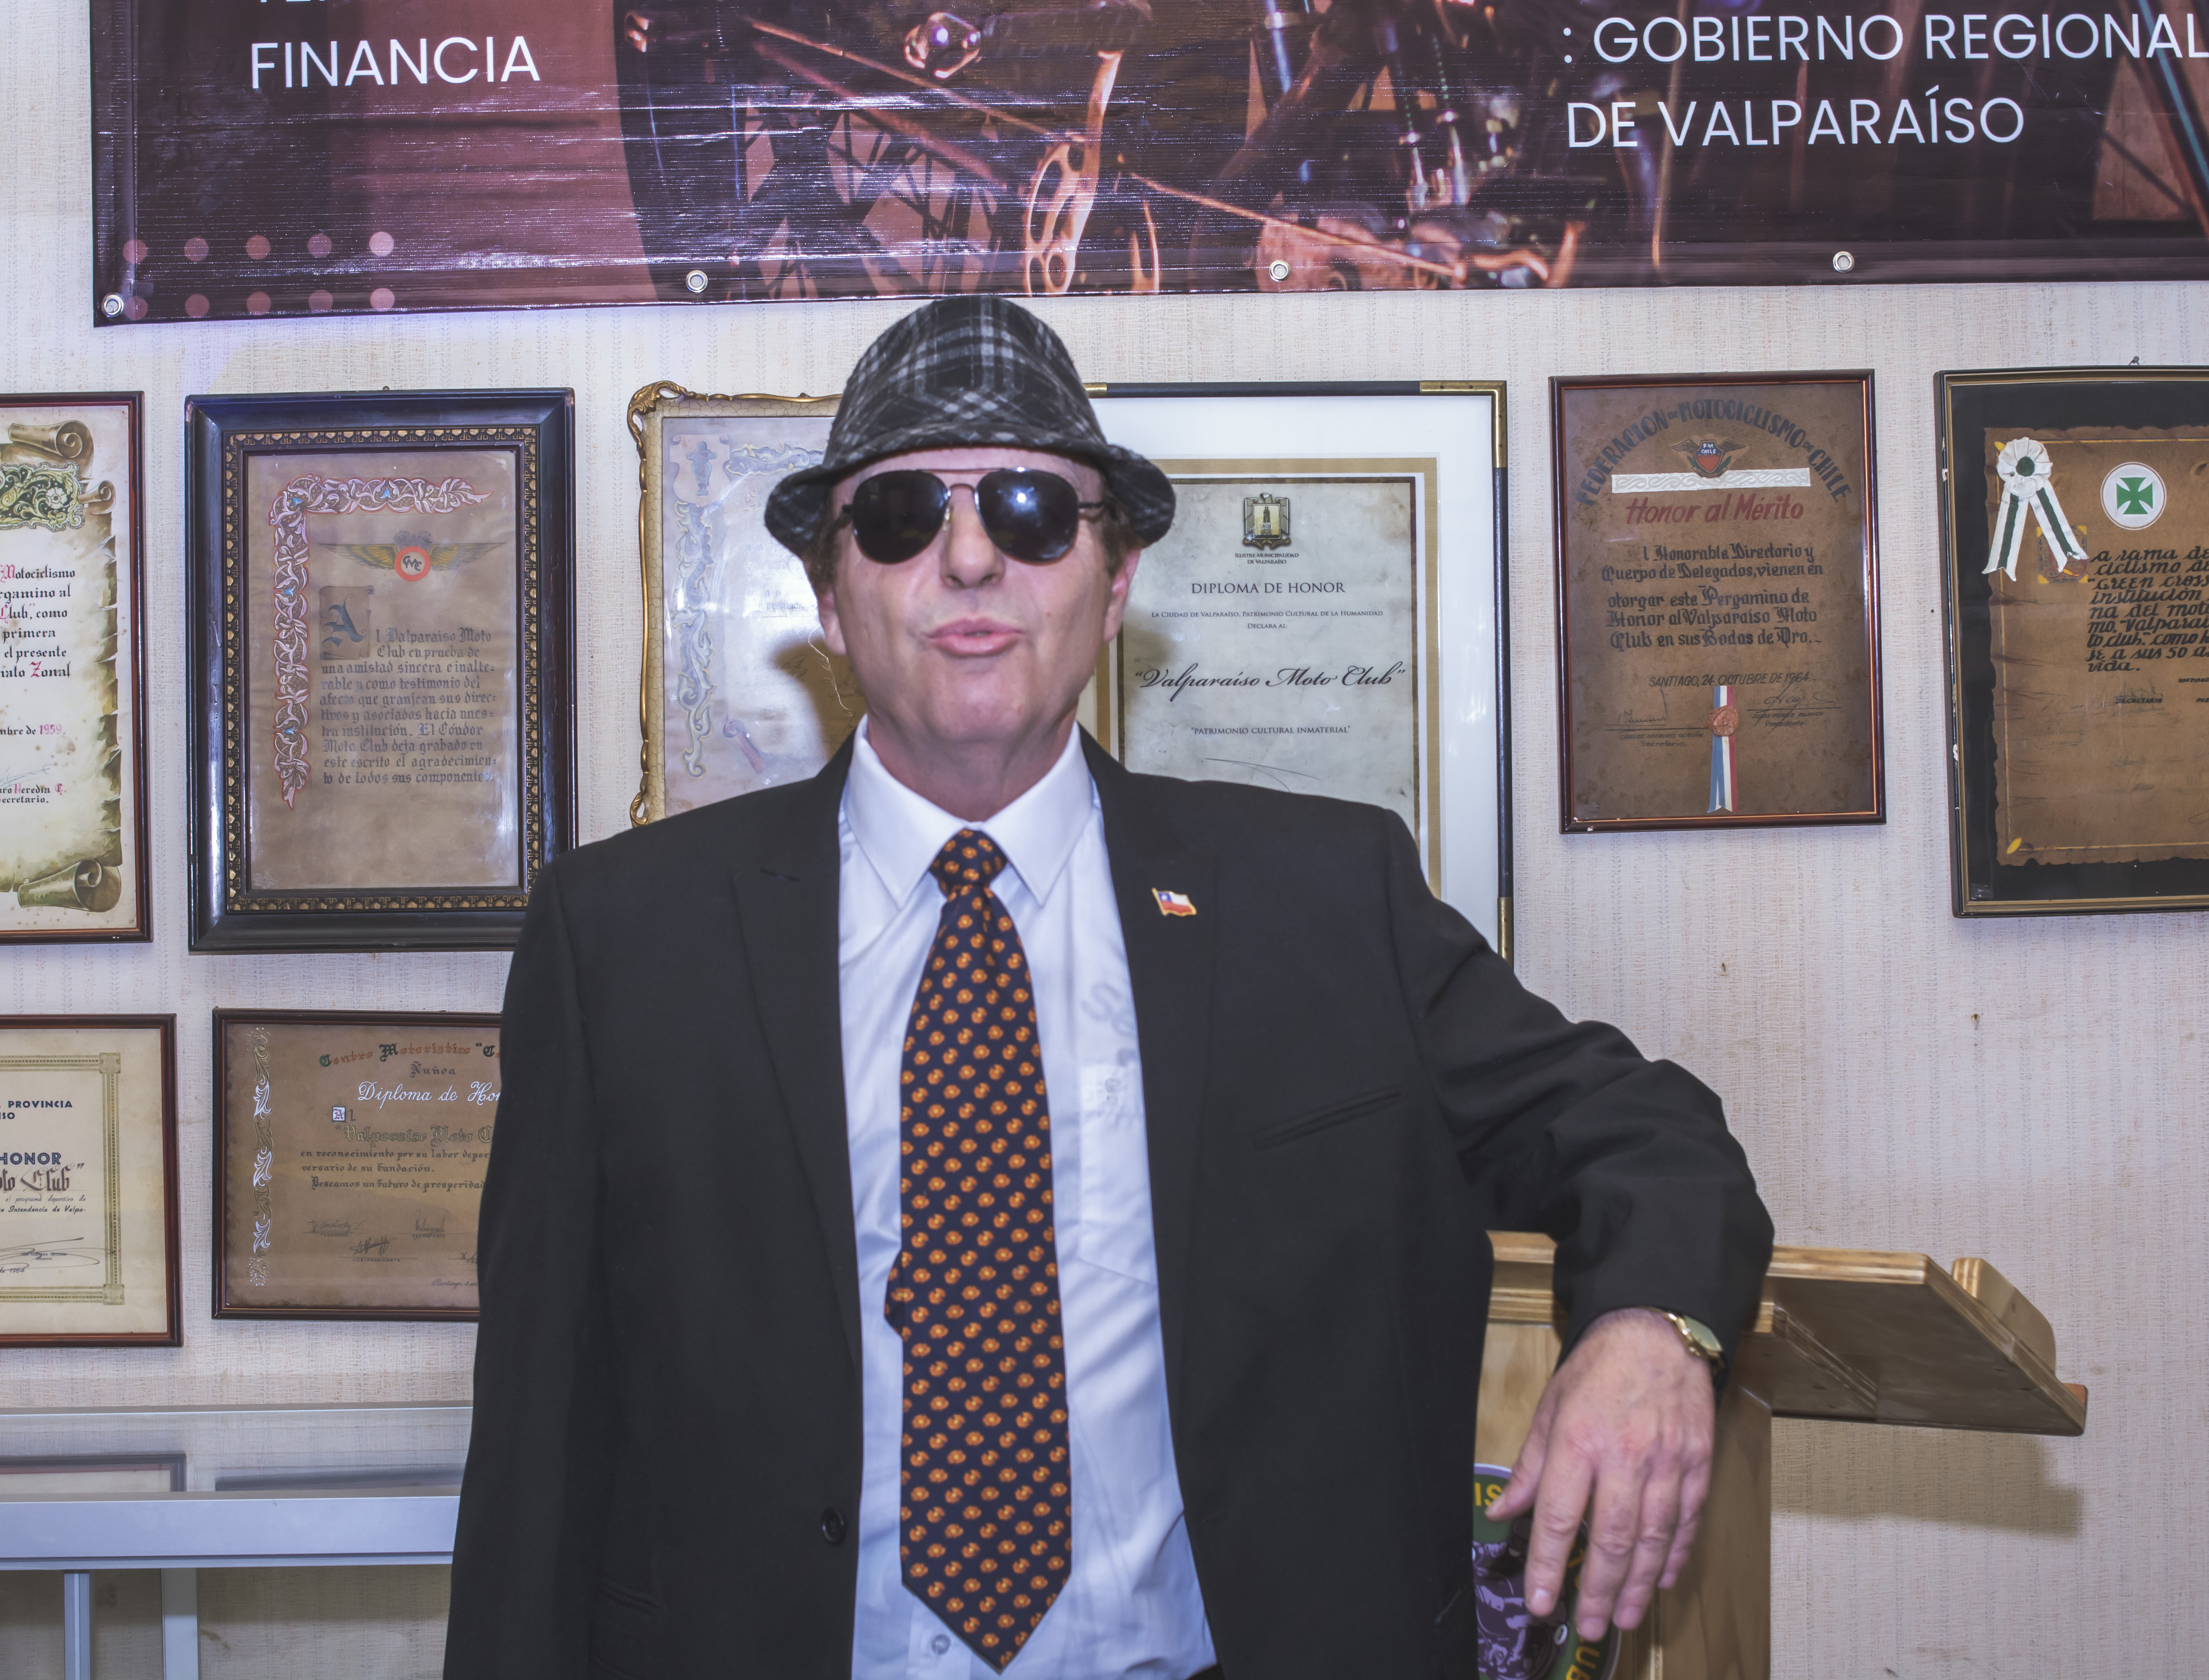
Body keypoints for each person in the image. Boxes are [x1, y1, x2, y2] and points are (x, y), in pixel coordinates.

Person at [445, 297, 1773, 1680]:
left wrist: (1654, 1326)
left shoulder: (1326, 898)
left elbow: (1642, 1132)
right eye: (900, 515)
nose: (970, 558)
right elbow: (537, 1443)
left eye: (1032, 513)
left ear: (1117, 580)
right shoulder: (623, 939)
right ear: (830, 602)